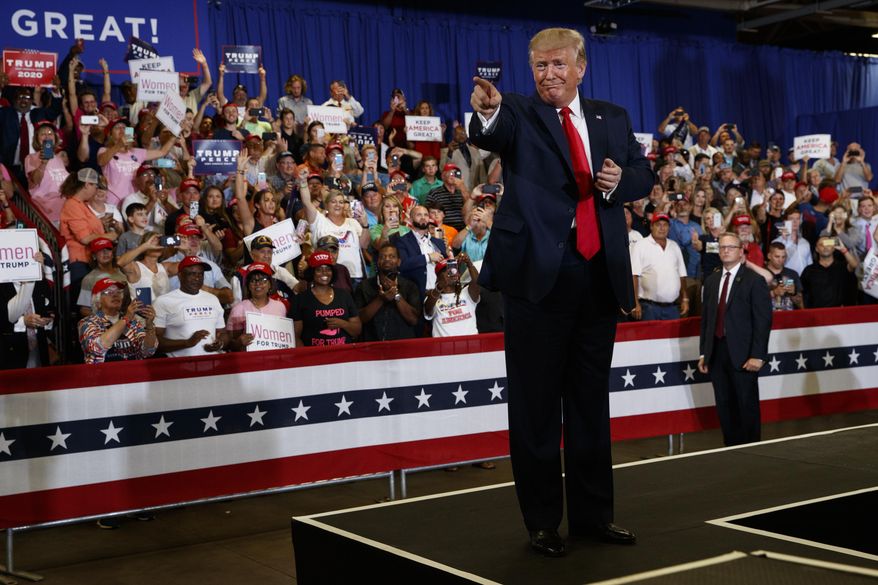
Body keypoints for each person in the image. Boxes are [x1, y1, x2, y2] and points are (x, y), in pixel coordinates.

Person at [468, 27, 654, 556]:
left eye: (557, 65)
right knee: (536, 406)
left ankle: (594, 518)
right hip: (536, 278)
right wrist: (487, 112)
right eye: (539, 66)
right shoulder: (519, 110)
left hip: (598, 275)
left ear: (580, 68)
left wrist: (620, 181)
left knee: (590, 403)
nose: (548, 75)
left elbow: (642, 174)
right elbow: (492, 131)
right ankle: (543, 522)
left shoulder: (612, 117)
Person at [697, 233, 772, 447]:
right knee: (724, 404)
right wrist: (704, 353)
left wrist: (758, 355)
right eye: (722, 247)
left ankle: (752, 451)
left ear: (741, 252)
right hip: (717, 353)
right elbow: (707, 320)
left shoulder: (754, 280)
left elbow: (763, 321)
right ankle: (730, 450)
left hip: (744, 354)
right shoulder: (711, 281)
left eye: (731, 247)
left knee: (746, 405)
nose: (726, 250)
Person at [153, 256, 228, 357]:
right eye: (191, 274)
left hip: (211, 363)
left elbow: (223, 333)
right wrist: (187, 343)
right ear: (180, 276)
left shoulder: (213, 299)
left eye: (200, 274)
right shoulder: (163, 302)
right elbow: (153, 342)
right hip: (178, 364)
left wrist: (220, 343)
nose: (197, 278)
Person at [78, 278, 158, 364]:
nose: (115, 295)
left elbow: (148, 351)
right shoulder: (87, 323)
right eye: (109, 292)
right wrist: (126, 318)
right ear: (97, 301)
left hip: (133, 370)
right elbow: (96, 348)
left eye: (118, 292)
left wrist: (149, 326)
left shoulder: (133, 321)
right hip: (103, 371)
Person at [291, 251, 361, 346]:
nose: (324, 273)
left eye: (328, 269)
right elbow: (295, 337)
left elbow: (357, 331)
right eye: (319, 270)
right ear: (312, 272)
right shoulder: (300, 299)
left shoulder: (344, 295)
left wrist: (343, 324)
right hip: (315, 354)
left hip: (343, 353)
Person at [354, 243, 422, 341]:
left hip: (402, 344)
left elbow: (413, 320)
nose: (387, 259)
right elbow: (360, 319)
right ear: (378, 262)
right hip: (373, 344)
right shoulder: (364, 286)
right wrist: (381, 299)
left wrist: (396, 295)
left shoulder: (410, 286)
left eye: (392, 256)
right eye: (383, 257)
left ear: (399, 262)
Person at [630, 214, 689, 321]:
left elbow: (682, 275)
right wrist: (635, 303)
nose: (662, 228)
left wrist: (685, 299)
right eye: (658, 225)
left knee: (674, 333)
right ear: (651, 226)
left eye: (665, 225)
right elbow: (634, 275)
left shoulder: (674, 246)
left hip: (672, 307)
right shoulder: (640, 245)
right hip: (648, 307)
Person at [226, 263, 289, 351]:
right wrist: (239, 342)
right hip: (250, 358)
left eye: (263, 279)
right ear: (248, 285)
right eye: (253, 280)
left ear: (270, 284)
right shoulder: (238, 309)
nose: (258, 283)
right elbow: (229, 346)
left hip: (274, 358)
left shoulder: (280, 307)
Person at [424, 254, 481, 337]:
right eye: (446, 270)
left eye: (454, 269)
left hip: (470, 343)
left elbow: (478, 283)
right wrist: (439, 287)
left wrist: (469, 264)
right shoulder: (434, 297)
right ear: (439, 277)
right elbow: (428, 310)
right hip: (445, 344)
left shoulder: (466, 292)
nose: (452, 273)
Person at [800, 237, 859, 308]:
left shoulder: (842, 266)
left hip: (839, 311)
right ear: (816, 249)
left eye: (828, 244)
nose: (825, 247)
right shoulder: (809, 270)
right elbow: (801, 293)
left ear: (834, 248)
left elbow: (854, 265)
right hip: (817, 312)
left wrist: (843, 249)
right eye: (821, 245)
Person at [764, 242, 803, 311]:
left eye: (783, 257)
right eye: (777, 256)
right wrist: (774, 292)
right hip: (767, 315)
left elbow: (801, 305)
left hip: (789, 316)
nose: (780, 260)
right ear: (769, 256)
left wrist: (794, 293)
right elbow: (754, 298)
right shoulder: (761, 273)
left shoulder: (792, 274)